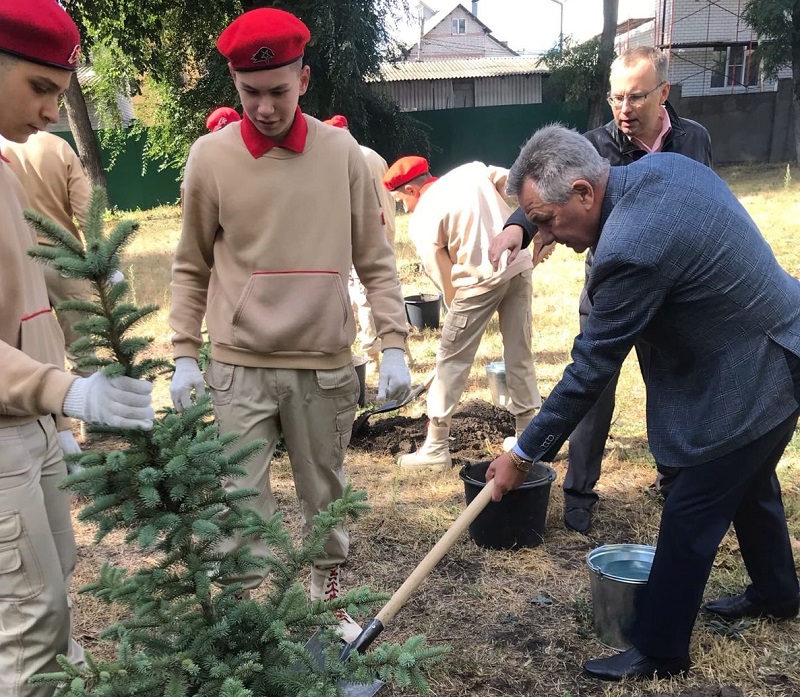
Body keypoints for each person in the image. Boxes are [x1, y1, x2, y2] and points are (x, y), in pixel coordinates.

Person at [486, 124, 800, 681]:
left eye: (545, 221)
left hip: (760, 365)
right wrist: (525, 220)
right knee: (749, 481)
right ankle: (777, 593)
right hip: (776, 339)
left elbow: (589, 371)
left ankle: (659, 649)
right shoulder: (654, 171)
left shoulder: (632, 246)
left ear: (584, 193)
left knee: (692, 503)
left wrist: (523, 454)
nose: (547, 235)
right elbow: (558, 172)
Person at [168, 8, 411, 643]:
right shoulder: (210, 159)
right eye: (251, 93)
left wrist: (393, 345)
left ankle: (326, 603)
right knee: (242, 500)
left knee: (324, 494)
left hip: (324, 363)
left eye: (278, 91)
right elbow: (190, 265)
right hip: (239, 366)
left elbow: (376, 259)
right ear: (235, 86)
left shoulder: (344, 157)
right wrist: (185, 354)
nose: (265, 108)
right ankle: (253, 616)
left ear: (303, 80)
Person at [490, 46, 713, 533]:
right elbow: (544, 189)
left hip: (671, 298)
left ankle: (675, 478)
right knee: (592, 387)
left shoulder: (693, 141)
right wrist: (518, 227)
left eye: (635, 97)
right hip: (608, 290)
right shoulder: (593, 145)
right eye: (616, 98)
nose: (625, 109)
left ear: (664, 93)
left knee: (672, 386)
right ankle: (578, 494)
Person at [0, 2, 155, 694]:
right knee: (30, 617)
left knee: (56, 571)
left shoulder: (5, 170)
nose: (50, 115)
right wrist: (69, 393)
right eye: (40, 88)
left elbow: (37, 288)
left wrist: (72, 392)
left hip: (29, 418)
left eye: (60, 96)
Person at [383, 156, 542, 469]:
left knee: (451, 362)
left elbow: (439, 272)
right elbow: (520, 184)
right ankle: (528, 436)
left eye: (401, 199)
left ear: (413, 190)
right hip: (518, 264)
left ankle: (435, 447)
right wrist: (537, 229)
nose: (402, 207)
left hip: (477, 279)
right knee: (520, 353)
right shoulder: (474, 171)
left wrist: (456, 324)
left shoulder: (423, 215)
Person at [323, 114, 397, 362]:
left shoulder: (342, 158)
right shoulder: (373, 154)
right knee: (384, 287)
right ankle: (394, 342)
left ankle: (372, 350)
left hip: (362, 235)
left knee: (362, 294)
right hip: (385, 232)